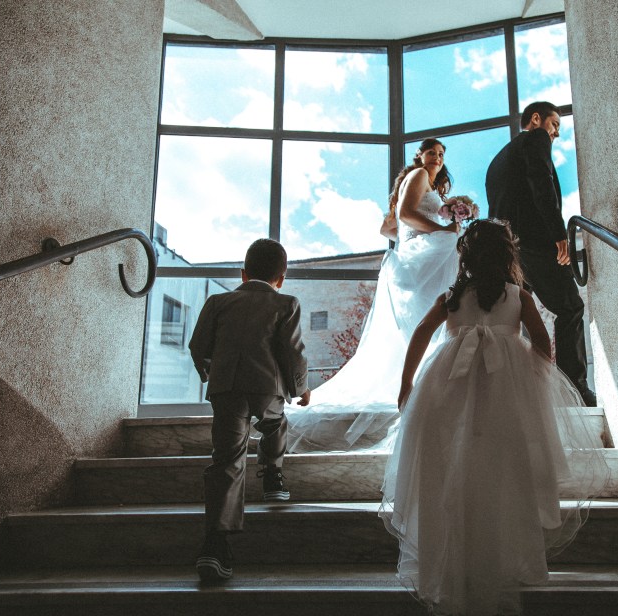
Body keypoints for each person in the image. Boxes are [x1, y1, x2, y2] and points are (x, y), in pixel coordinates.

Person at [379, 219, 610, 616]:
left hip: (449, 385)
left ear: (465, 258)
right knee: (506, 470)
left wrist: (407, 383)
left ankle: (452, 558)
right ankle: (506, 559)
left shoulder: (452, 297)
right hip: (506, 390)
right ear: (507, 256)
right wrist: (534, 379)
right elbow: (541, 342)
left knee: (452, 465)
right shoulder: (519, 295)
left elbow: (421, 333)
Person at [284, 138, 460, 453]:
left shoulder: (420, 182)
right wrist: (440, 230)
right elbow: (406, 214)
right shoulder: (419, 175)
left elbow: (387, 228)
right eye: (431, 152)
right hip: (421, 259)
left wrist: (414, 236)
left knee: (420, 324)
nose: (437, 157)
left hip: (413, 256)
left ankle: (422, 382)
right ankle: (429, 384)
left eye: (441, 154)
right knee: (433, 315)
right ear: (420, 155)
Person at [187, 238, 311, 582]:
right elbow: (292, 351)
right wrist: (300, 388)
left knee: (226, 459)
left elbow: (198, 345)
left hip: (226, 387)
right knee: (275, 424)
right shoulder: (286, 303)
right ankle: (272, 475)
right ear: (281, 278)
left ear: (243, 274)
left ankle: (215, 546)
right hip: (266, 387)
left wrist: (210, 371)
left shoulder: (218, 301)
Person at [485, 101, 597, 406]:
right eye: (554, 125)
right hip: (535, 242)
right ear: (536, 119)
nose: (556, 133)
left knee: (513, 317)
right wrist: (559, 235)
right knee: (571, 307)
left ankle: (519, 390)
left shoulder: (497, 160)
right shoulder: (536, 139)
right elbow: (541, 183)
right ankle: (576, 391)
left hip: (507, 249)